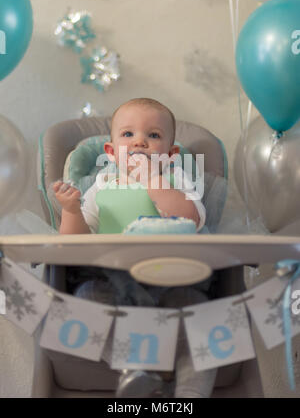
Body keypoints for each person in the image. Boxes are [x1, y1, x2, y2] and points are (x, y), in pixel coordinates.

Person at [52, 97, 217, 398]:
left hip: (174, 280)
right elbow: (75, 242)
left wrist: (154, 179)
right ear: (112, 153)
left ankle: (191, 394)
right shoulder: (101, 184)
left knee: (205, 318)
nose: (140, 142)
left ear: (171, 154)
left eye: (153, 135)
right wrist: (72, 210)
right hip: (111, 282)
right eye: (128, 134)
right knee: (84, 301)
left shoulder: (175, 179)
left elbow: (189, 218)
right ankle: (139, 368)